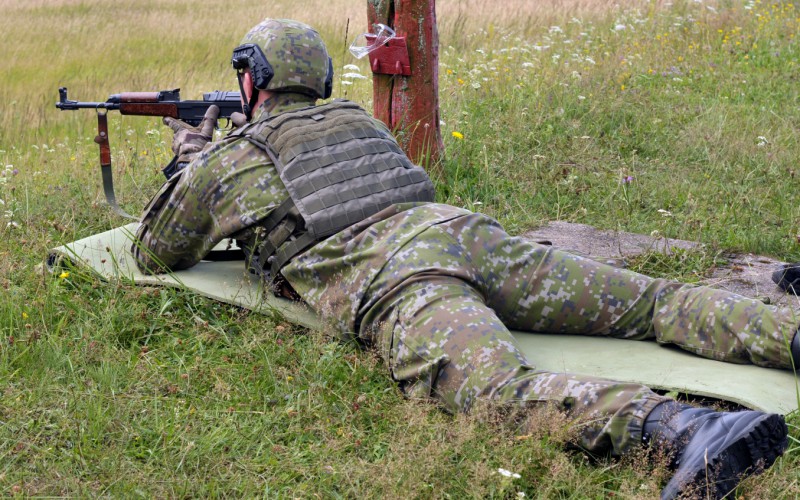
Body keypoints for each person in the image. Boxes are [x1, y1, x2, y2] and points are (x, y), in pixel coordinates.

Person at [132, 18, 796, 499]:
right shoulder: (360, 119)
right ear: (319, 80)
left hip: (402, 275)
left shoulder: (230, 161)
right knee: (654, 302)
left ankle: (684, 430)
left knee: (492, 394)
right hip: (471, 236)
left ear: (250, 81)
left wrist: (191, 160)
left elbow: (156, 251)